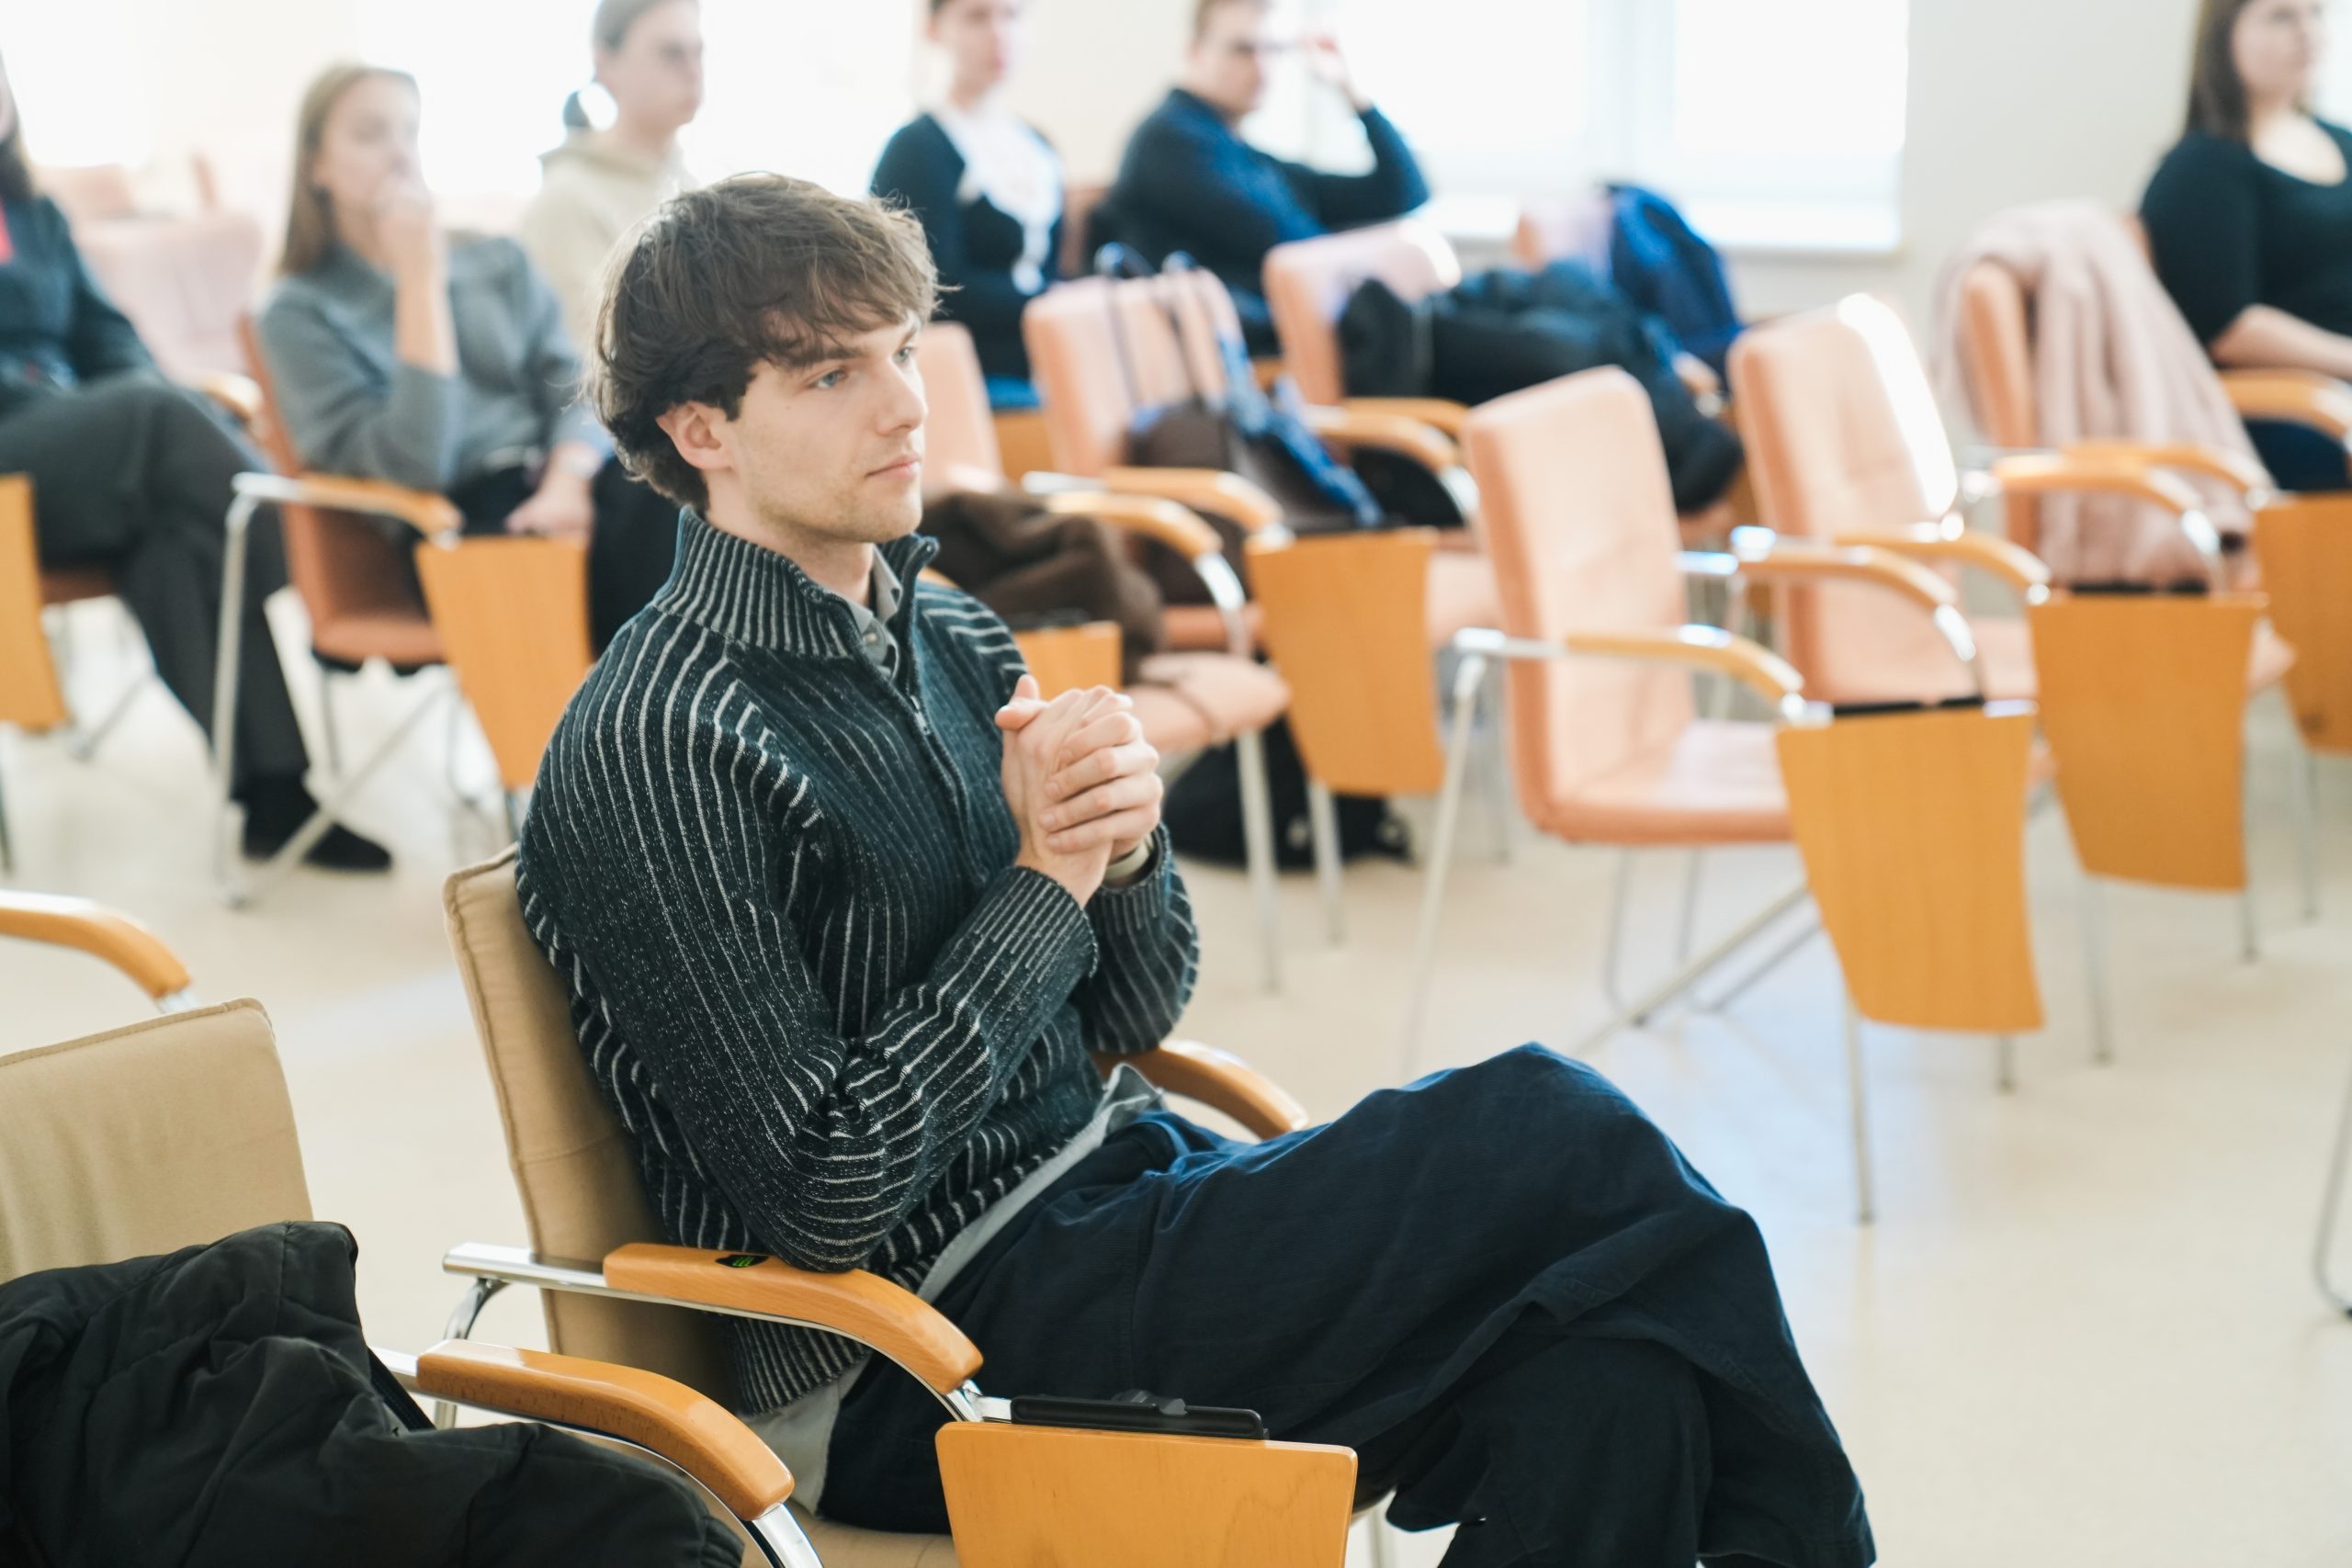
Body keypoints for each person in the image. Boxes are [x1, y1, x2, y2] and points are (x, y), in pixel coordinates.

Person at [516, 173, 1874, 1566]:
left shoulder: (954, 634)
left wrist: (1124, 850)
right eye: (830, 374)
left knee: (1619, 1381)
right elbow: (823, 1195)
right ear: (700, 429)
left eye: (904, 351)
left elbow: (1133, 1011)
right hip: (913, 1352)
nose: (906, 405)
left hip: (1110, 1195)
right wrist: (1044, 884)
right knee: (1554, 1126)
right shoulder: (659, 743)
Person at [0, 55, 387, 870]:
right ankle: (318, 564)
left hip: (82, 442)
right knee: (158, 415)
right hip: (14, 456)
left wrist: (112, 394)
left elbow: (107, 334)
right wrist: (91, 402)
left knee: (184, 538)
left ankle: (276, 797)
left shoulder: (33, 213)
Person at [257, 64, 679, 650]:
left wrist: (567, 480)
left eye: (410, 131)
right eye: (371, 134)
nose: (400, 153)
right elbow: (419, 462)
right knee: (659, 565)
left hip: (563, 480)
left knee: (690, 492)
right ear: (316, 167)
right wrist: (419, 282)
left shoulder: (496, 258)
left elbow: (579, 384)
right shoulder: (297, 312)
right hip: (456, 526)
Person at [1104, 0, 1428, 351]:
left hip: (1314, 343)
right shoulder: (1171, 142)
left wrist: (1350, 89)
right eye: (1243, 50)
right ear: (1196, 52)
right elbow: (1297, 247)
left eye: (1274, 50)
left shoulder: (1244, 155)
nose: (1262, 67)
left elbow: (1402, 192)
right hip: (1246, 358)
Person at [2143, 0, 2352, 489]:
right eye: (2281, 16)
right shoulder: (2202, 166)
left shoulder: (2342, 142)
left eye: (2315, 13)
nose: (2306, 31)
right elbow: (2229, 326)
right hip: (2284, 408)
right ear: (2224, 37)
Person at [872, 0, 1062, 408]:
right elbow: (935, 292)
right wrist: (1051, 301)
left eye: (1012, 15)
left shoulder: (1038, 146)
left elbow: (1050, 271)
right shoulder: (917, 149)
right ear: (934, 29)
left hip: (1045, 366)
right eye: (977, 17)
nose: (999, 34)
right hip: (964, 378)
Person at [520, 0, 703, 350]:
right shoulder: (566, 199)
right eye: (671, 53)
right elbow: (592, 360)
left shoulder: (695, 187)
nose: (693, 71)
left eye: (698, 53)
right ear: (606, 65)